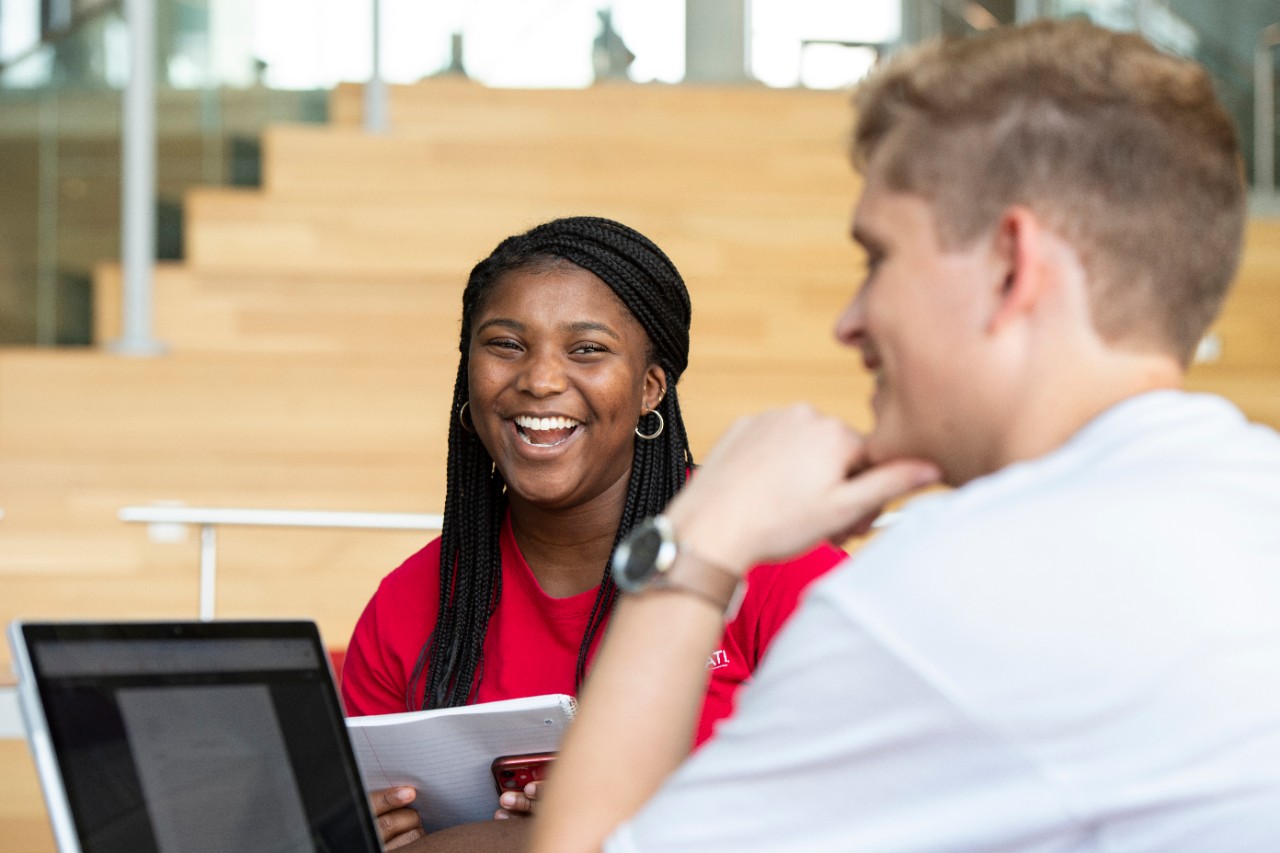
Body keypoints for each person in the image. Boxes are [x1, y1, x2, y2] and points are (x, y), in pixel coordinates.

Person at [527, 19, 1280, 853]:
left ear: (1009, 265)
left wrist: (697, 539)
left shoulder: (962, 590)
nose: (850, 323)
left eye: (877, 259)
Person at [341, 216, 846, 848]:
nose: (541, 379)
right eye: (505, 344)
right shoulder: (407, 605)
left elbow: (876, 808)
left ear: (651, 387)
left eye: (587, 349)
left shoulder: (772, 567)